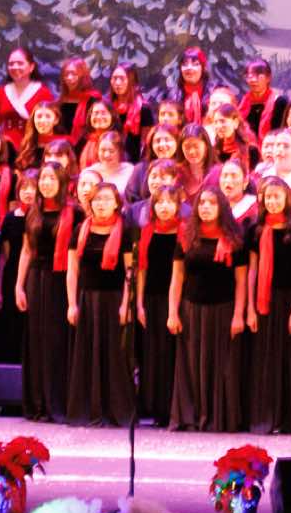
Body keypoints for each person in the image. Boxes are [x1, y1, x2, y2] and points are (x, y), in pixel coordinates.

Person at [168, 187, 248, 432]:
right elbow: (177, 277)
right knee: (191, 365)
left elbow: (241, 282)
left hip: (224, 310)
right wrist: (172, 313)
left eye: (212, 203)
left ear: (221, 208)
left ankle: (219, 417)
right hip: (191, 310)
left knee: (222, 366)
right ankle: (191, 417)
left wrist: (238, 315)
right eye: (202, 203)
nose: (205, 207)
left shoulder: (235, 240)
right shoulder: (187, 236)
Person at [246, 177, 291, 433]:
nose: (272, 201)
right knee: (265, 360)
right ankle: (267, 418)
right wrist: (250, 308)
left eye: (277, 196)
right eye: (268, 197)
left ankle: (290, 419)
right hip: (264, 301)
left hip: (290, 299)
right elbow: (252, 271)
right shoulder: (255, 230)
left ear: (287, 199)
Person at [65, 179, 135, 426]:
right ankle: (89, 409)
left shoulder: (125, 231)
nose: (101, 204)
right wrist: (72, 304)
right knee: (87, 355)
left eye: (106, 199)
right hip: (88, 300)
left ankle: (116, 411)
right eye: (97, 199)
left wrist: (126, 304)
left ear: (117, 203)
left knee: (115, 357)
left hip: (114, 300)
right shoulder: (80, 230)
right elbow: (72, 270)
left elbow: (130, 272)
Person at [13, 163, 73, 422]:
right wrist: (19, 285)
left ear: (61, 182)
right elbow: (27, 250)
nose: (46, 183)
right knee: (36, 339)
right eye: (43, 178)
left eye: (51, 178)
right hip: (36, 279)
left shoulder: (73, 212)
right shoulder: (33, 212)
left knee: (57, 340)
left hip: (61, 280)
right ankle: (37, 403)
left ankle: (56, 403)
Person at [131, 175, 185, 426]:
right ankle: (153, 408)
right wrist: (139, 304)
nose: (164, 206)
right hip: (151, 299)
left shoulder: (185, 231)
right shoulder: (147, 232)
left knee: (173, 354)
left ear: (178, 205)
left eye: (169, 202)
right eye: (159, 202)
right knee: (153, 353)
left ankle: (172, 409)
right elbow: (141, 270)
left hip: (177, 301)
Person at [0, 46, 52, 149]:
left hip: (33, 147)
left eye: (20, 63)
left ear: (31, 67)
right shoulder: (1, 92)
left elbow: (49, 126)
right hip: (5, 148)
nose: (15, 67)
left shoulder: (43, 93)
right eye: (11, 64)